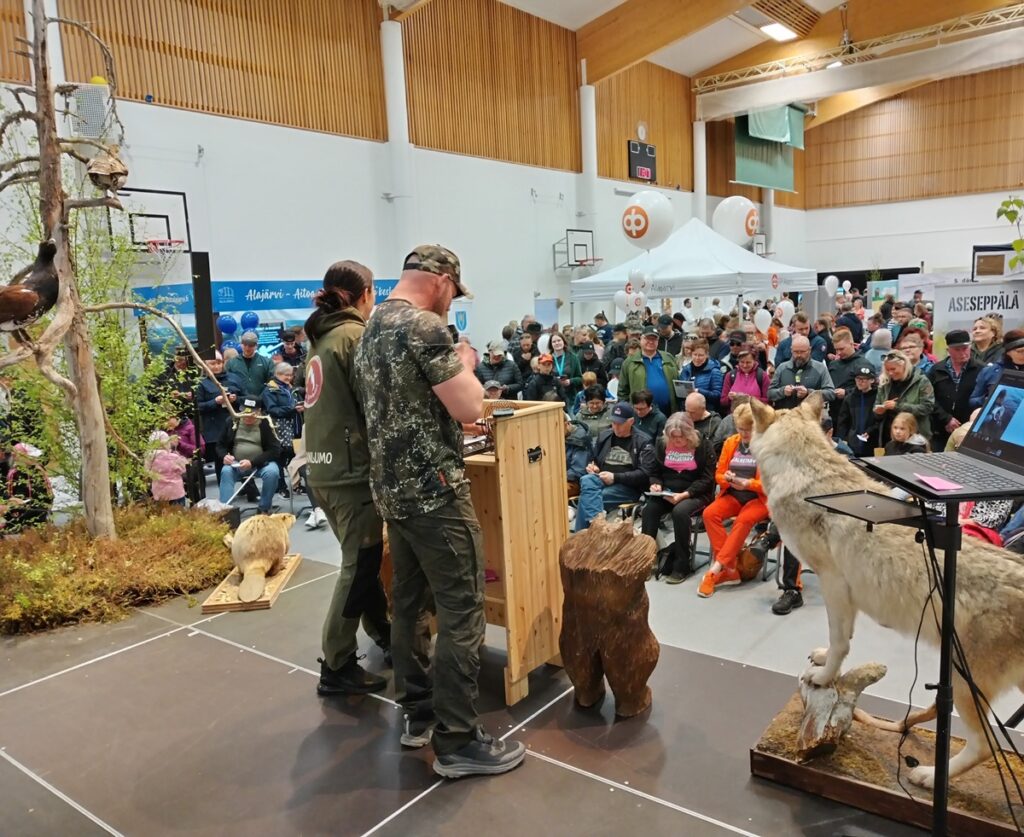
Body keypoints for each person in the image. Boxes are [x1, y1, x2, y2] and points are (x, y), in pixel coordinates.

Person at [356, 244, 525, 777]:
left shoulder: (371, 327)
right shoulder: (426, 328)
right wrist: (467, 364)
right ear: (443, 280)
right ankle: (457, 741)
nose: (453, 301)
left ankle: (420, 715)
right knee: (462, 610)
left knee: (407, 602)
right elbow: (472, 405)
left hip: (394, 491)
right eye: (455, 292)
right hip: (435, 493)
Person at [304, 260, 391, 695]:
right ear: (367, 293)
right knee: (360, 567)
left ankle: (385, 635)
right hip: (350, 472)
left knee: (364, 561)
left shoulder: (321, 338)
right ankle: (336, 664)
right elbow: (374, 406)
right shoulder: (355, 336)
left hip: (323, 469)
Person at [698, 403, 769, 599]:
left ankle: (716, 569)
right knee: (709, 514)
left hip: (759, 498)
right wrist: (727, 478)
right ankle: (730, 568)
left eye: (748, 429)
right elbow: (718, 474)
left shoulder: (767, 446)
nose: (744, 433)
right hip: (733, 494)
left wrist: (748, 483)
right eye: (740, 429)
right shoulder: (731, 442)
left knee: (743, 521)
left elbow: (769, 485)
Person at [641, 413, 715, 583]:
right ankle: (645, 560)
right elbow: (654, 471)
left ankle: (682, 563)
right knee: (649, 510)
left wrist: (685, 494)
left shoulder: (703, 445)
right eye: (672, 438)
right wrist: (656, 484)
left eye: (680, 438)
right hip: (668, 491)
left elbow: (707, 479)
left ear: (689, 434)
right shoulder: (662, 444)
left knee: (680, 512)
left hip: (695, 493)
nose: (676, 442)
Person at [574, 403, 656, 532]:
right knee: (586, 479)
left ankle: (587, 535)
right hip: (602, 478)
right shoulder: (605, 436)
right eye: (613, 422)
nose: (616, 427)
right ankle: (596, 525)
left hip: (628, 487)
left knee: (588, 499)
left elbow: (645, 473)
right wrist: (593, 466)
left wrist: (615, 477)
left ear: (631, 422)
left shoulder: (643, 441)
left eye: (620, 423)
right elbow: (594, 458)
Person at [216, 397, 282, 514]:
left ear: (259, 411)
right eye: (244, 413)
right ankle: (225, 511)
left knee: (272, 472)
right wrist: (225, 456)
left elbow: (274, 450)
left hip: (261, 464)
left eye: (251, 413)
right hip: (236, 463)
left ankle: (264, 507)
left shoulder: (266, 423)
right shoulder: (231, 422)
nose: (247, 416)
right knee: (226, 472)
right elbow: (220, 445)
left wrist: (253, 462)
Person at [928, 329, 983, 451]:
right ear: (948, 351)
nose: (963, 353)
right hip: (940, 430)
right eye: (957, 349)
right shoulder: (936, 370)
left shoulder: (981, 370)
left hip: (969, 430)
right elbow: (928, 398)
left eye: (965, 348)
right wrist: (946, 419)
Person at [195, 353, 245, 485]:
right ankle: (224, 490)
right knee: (221, 461)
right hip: (215, 428)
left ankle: (248, 488)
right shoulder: (201, 384)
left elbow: (247, 399)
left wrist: (236, 399)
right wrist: (215, 401)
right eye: (212, 363)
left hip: (235, 424)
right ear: (205, 365)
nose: (216, 366)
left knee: (241, 456)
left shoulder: (234, 378)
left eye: (219, 363)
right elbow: (198, 407)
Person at [873, 349, 935, 448]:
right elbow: (876, 409)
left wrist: (898, 406)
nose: (890, 373)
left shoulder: (921, 381)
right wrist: (879, 412)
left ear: (904, 365)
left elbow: (927, 407)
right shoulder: (884, 382)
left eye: (893, 369)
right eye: (887, 370)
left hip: (915, 438)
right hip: (889, 437)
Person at [617, 326, 680, 416]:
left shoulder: (668, 358)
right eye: (647, 338)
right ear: (641, 339)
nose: (651, 342)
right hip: (640, 415)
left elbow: (677, 382)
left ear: (658, 341)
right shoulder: (629, 362)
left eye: (654, 339)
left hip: (669, 412)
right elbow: (622, 392)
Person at [768, 335, 835, 411]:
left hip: (810, 418)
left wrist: (809, 392)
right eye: (796, 352)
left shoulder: (820, 368)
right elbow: (770, 393)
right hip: (786, 418)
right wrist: (782, 391)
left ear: (809, 350)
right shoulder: (782, 368)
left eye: (802, 352)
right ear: (791, 350)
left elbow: (831, 394)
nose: (799, 355)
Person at [262, 363, 302, 483]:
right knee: (280, 457)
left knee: (295, 456)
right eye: (286, 375)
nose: (289, 378)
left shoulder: (291, 388)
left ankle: (296, 484)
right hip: (279, 428)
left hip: (295, 427)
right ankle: (281, 486)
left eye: (290, 375)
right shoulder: (269, 390)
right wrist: (292, 409)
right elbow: (272, 410)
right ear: (277, 374)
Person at [971, 328, 1024, 408]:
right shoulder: (989, 372)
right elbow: (973, 401)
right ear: (1008, 352)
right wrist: (988, 399)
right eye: (1020, 351)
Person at [835, 364, 879, 457]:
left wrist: (871, 431)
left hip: (873, 442)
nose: (860, 382)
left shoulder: (878, 397)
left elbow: (880, 419)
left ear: (872, 380)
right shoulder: (850, 398)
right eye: (858, 379)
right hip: (853, 443)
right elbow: (843, 421)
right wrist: (843, 439)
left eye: (864, 379)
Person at [828, 327, 873, 406]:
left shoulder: (863, 364)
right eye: (836, 349)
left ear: (852, 344)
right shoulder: (833, 365)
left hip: (855, 410)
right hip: (835, 412)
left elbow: (871, 388)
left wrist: (846, 392)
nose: (838, 353)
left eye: (842, 349)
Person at [720, 344, 769, 413]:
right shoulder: (730, 375)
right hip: (735, 416)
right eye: (742, 362)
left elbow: (768, 401)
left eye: (748, 362)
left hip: (756, 417)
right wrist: (729, 398)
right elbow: (723, 401)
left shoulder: (762, 376)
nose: (744, 365)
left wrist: (747, 399)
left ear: (754, 361)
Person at [679, 339, 724, 414]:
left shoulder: (714, 371)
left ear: (706, 355)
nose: (697, 358)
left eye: (700, 355)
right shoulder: (686, 369)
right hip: (687, 411)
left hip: (706, 412)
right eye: (695, 354)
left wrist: (699, 391)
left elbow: (717, 395)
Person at [146, 430, 188, 506]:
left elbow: (147, 472)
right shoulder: (173, 457)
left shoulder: (149, 458)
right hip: (176, 492)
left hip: (159, 494)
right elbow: (183, 470)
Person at [227, 331, 274, 396]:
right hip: (240, 401)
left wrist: (262, 397)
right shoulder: (231, 363)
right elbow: (229, 383)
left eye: (250, 345)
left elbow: (272, 383)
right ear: (241, 344)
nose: (247, 348)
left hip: (262, 401)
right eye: (245, 345)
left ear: (256, 346)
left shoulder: (267, 362)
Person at [549, 332, 582, 403]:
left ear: (563, 341)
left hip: (570, 396)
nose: (557, 343)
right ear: (551, 345)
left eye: (559, 340)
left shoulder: (573, 357)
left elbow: (580, 378)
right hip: (553, 397)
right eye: (554, 342)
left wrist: (570, 381)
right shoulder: (548, 358)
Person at [564, 412, 591, 499]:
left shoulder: (581, 439)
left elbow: (578, 471)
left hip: (574, 482)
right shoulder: (556, 437)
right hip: (559, 479)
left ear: (567, 424)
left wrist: (558, 478)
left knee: (551, 491)